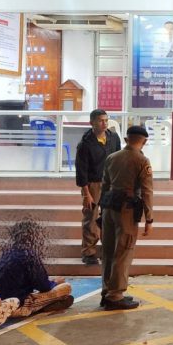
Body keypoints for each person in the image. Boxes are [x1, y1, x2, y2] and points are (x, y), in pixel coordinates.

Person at [98, 125, 154, 310]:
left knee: (108, 251)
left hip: (109, 207)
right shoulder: (142, 160)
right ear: (144, 141)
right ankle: (115, 295)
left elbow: (104, 186)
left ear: (126, 139)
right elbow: (147, 192)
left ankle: (107, 291)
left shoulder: (112, 157)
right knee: (123, 251)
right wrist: (149, 219)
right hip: (127, 210)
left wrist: (101, 212)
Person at [0, 220, 74, 318]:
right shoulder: (29, 255)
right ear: (31, 237)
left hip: (1, 302)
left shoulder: (6, 252)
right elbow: (44, 286)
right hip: (20, 304)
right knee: (66, 287)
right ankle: (38, 307)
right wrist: (55, 283)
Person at [75, 109, 122, 266]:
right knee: (91, 217)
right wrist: (86, 194)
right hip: (93, 184)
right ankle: (88, 251)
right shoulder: (85, 144)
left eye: (106, 120)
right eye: (101, 120)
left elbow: (118, 160)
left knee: (109, 217)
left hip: (110, 182)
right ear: (92, 123)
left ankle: (107, 250)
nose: (104, 123)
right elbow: (81, 171)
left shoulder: (113, 138)